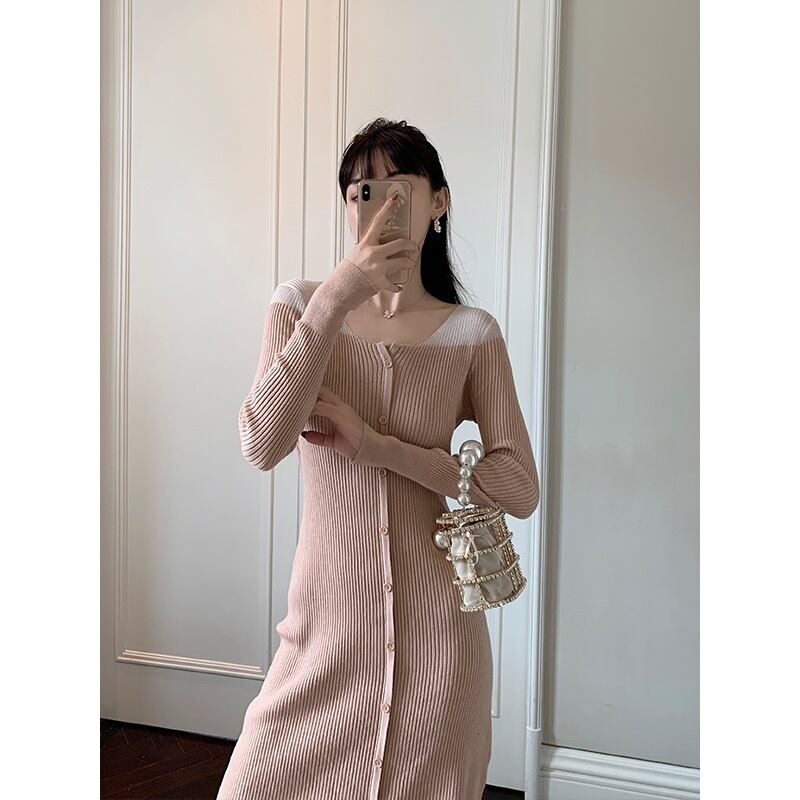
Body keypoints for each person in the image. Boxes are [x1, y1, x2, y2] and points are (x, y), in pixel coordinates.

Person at [217, 118, 539, 800]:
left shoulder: (472, 335)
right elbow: (261, 444)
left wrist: (380, 448)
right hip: (322, 638)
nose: (380, 205)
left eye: (399, 188)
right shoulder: (301, 306)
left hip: (441, 654)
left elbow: (519, 487)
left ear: (438, 201)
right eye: (361, 190)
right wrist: (340, 293)